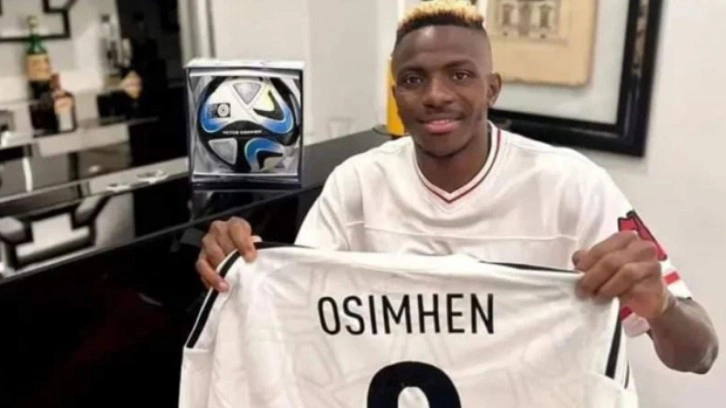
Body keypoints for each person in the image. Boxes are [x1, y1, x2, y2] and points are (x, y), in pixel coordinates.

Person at [196, 0, 717, 375]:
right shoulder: (357, 183)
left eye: (460, 75)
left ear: (492, 88)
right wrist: (242, 268)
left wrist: (661, 307)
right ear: (395, 93)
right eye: (414, 79)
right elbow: (298, 318)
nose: (436, 95)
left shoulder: (574, 186)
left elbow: (701, 355)